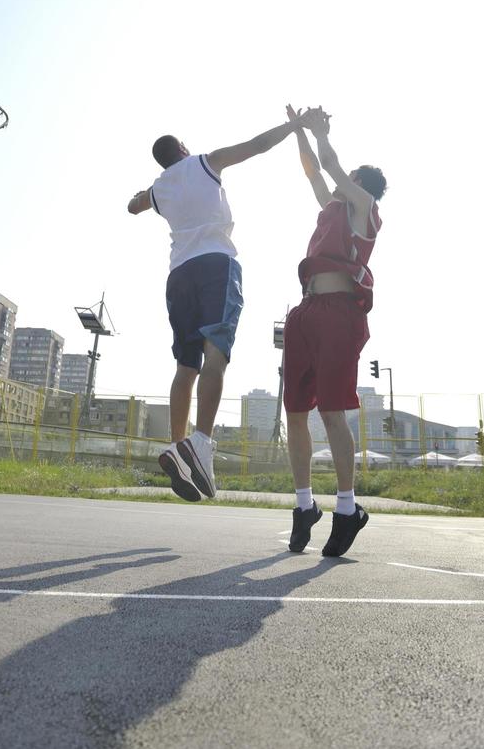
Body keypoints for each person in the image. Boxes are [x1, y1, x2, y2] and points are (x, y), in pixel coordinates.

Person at [128, 110, 316, 502]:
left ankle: (178, 445)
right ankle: (200, 443)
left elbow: (133, 206)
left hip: (178, 275)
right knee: (216, 357)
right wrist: (293, 127)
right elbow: (256, 146)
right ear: (182, 148)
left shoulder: (160, 188)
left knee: (185, 367)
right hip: (216, 265)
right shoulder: (205, 162)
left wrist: (141, 195)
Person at [283, 104, 386, 557]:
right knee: (295, 412)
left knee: (331, 412)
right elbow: (313, 172)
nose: (343, 183)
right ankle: (305, 506)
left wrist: (321, 131)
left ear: (360, 183)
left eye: (350, 177)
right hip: (305, 311)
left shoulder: (363, 206)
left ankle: (347, 509)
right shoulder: (332, 207)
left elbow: (329, 166)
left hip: (340, 313)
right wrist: (298, 131)